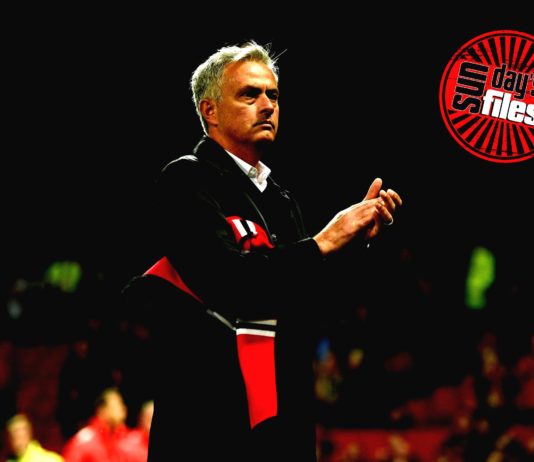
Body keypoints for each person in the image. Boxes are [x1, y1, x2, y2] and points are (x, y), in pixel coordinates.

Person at [124, 40, 402, 461]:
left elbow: (308, 303)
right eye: (249, 94)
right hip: (207, 426)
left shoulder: (281, 201)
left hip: (282, 426)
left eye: (273, 95)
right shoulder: (185, 181)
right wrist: (322, 243)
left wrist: (354, 245)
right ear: (210, 110)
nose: (268, 105)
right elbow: (227, 282)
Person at [62, 387, 130, 462]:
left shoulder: (121, 441)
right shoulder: (85, 442)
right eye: (116, 406)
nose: (123, 410)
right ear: (102, 411)